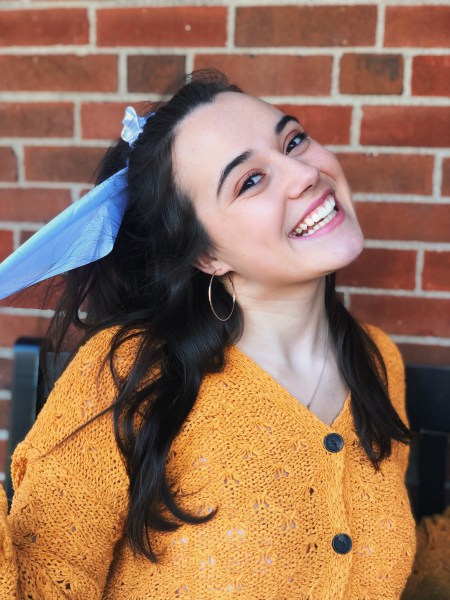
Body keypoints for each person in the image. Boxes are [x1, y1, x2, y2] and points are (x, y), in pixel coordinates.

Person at [0, 70, 421, 598]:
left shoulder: (376, 359)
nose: (303, 174)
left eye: (293, 141)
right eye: (250, 180)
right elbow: (41, 584)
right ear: (206, 255)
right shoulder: (130, 375)